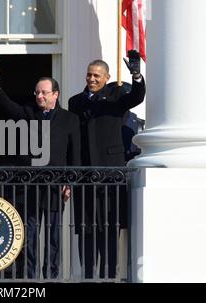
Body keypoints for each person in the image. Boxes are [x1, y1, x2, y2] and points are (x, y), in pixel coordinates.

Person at [0, 60, 81, 278]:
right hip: (30, 187)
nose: (39, 96)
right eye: (37, 92)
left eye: (44, 92)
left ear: (55, 94)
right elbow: (7, 106)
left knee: (53, 236)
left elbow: (74, 154)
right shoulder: (28, 113)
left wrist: (70, 182)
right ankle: (29, 276)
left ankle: (51, 276)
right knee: (29, 235)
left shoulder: (70, 119)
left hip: (55, 186)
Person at [67, 50, 146, 279]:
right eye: (89, 75)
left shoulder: (117, 95)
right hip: (85, 173)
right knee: (85, 228)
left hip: (110, 172)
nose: (92, 79)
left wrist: (136, 76)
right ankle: (88, 274)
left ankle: (109, 274)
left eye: (97, 76)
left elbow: (137, 97)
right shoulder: (75, 102)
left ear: (107, 77)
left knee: (110, 227)